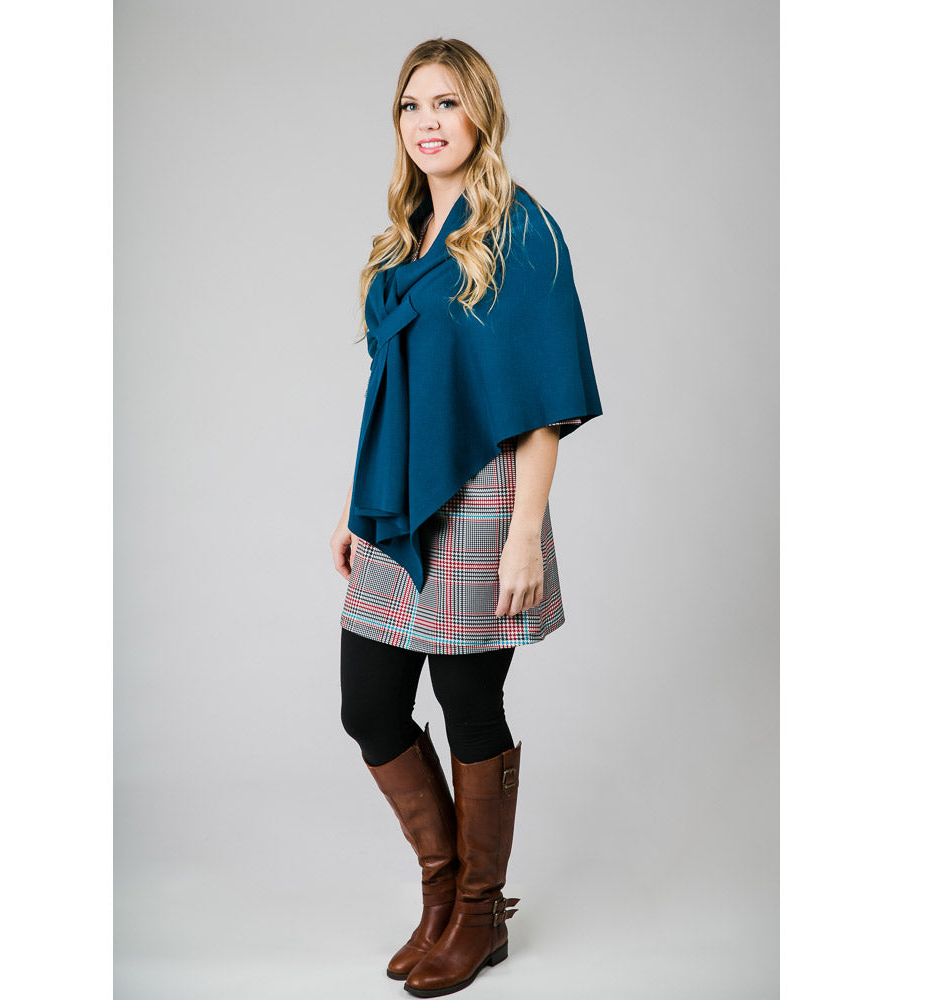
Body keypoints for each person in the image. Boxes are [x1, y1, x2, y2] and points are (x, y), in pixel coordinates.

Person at [329, 38, 602, 998]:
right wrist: (358, 505)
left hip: (488, 498)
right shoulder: (404, 237)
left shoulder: (521, 230)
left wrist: (527, 533)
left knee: (467, 705)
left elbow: (543, 402)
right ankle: (444, 893)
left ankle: (477, 915)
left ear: (481, 112)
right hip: (397, 497)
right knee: (369, 704)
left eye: (447, 102)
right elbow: (395, 393)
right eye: (412, 105)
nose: (428, 121)